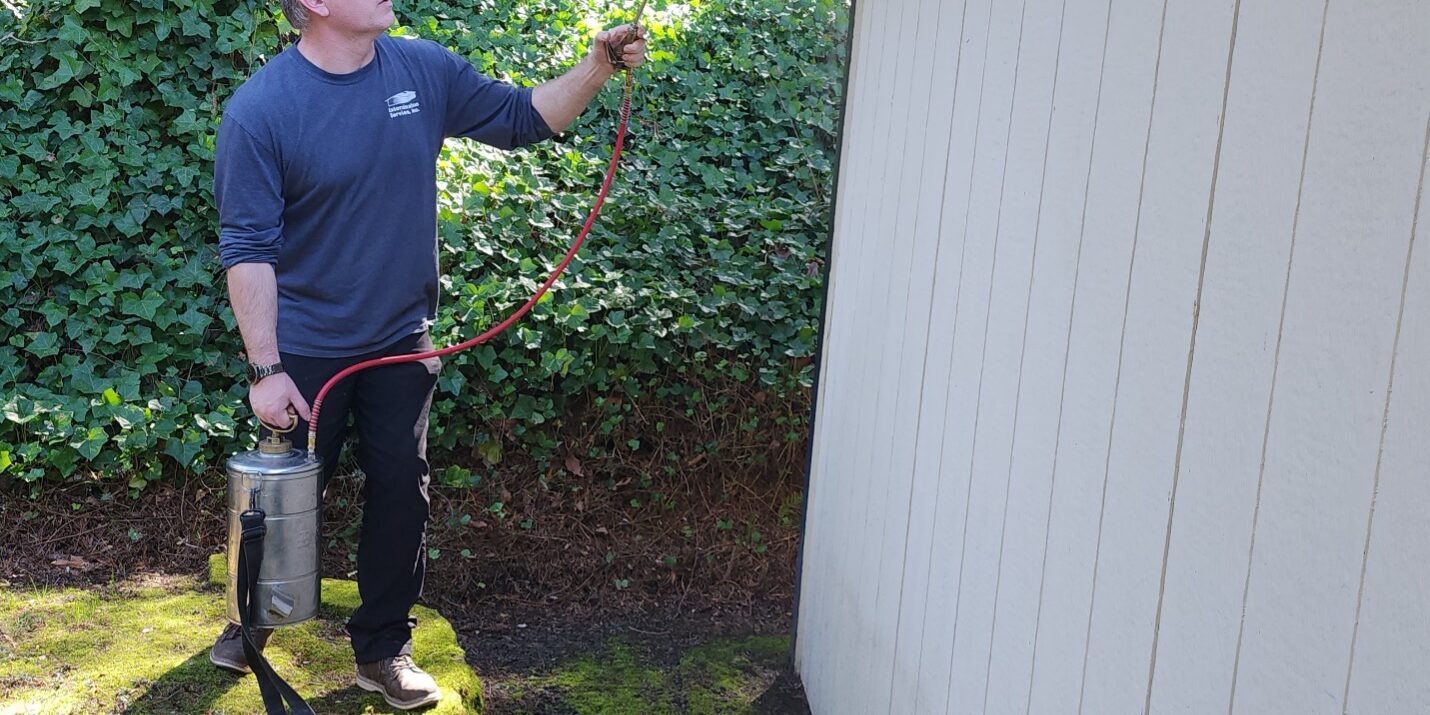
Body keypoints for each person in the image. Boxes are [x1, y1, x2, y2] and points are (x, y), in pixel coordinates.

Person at [207, 0, 645, 709]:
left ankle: (382, 648)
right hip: (306, 353)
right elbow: (248, 250)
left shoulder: (421, 68)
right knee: (286, 496)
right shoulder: (262, 110)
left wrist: (595, 67)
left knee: (400, 491)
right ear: (315, 4)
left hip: (401, 342)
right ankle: (251, 615)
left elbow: (525, 116)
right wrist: (266, 368)